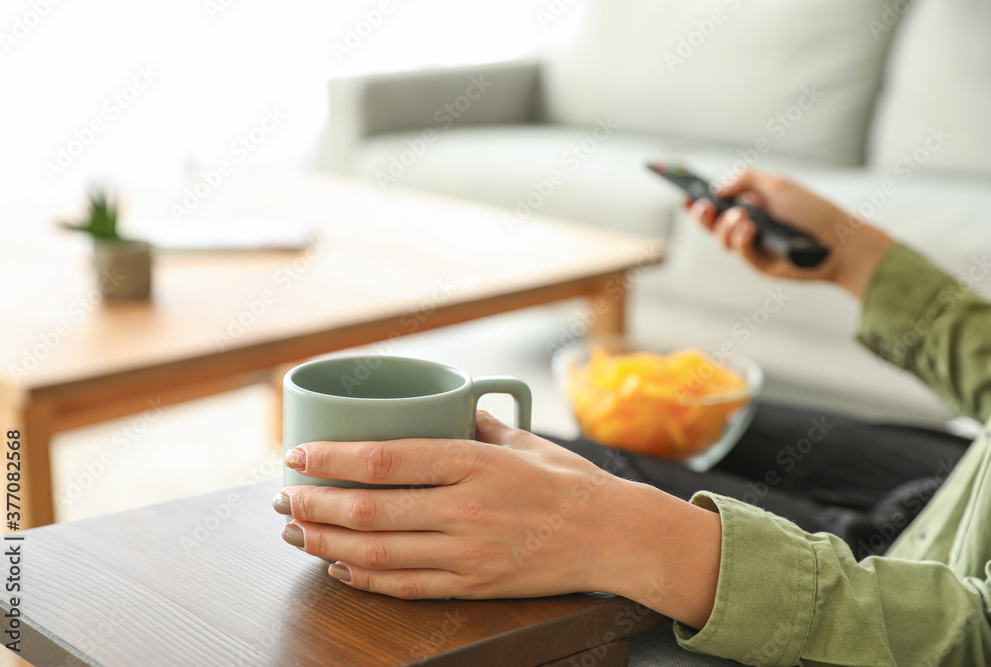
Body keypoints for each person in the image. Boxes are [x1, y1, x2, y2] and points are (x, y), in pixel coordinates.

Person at [272, 170, 991, 665]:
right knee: (605, 436)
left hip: (935, 591)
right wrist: (856, 255)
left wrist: (635, 541)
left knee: (528, 488)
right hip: (965, 480)